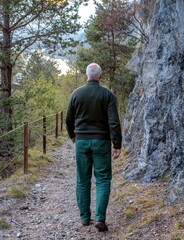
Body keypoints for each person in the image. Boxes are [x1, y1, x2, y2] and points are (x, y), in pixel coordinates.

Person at [66, 63, 122, 231]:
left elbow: (68, 119)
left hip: (81, 142)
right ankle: (99, 218)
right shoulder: (107, 95)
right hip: (102, 142)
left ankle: (84, 218)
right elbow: (114, 122)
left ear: (86, 76)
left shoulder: (76, 94)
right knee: (103, 179)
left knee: (82, 179)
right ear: (100, 76)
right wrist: (117, 144)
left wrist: (73, 135)